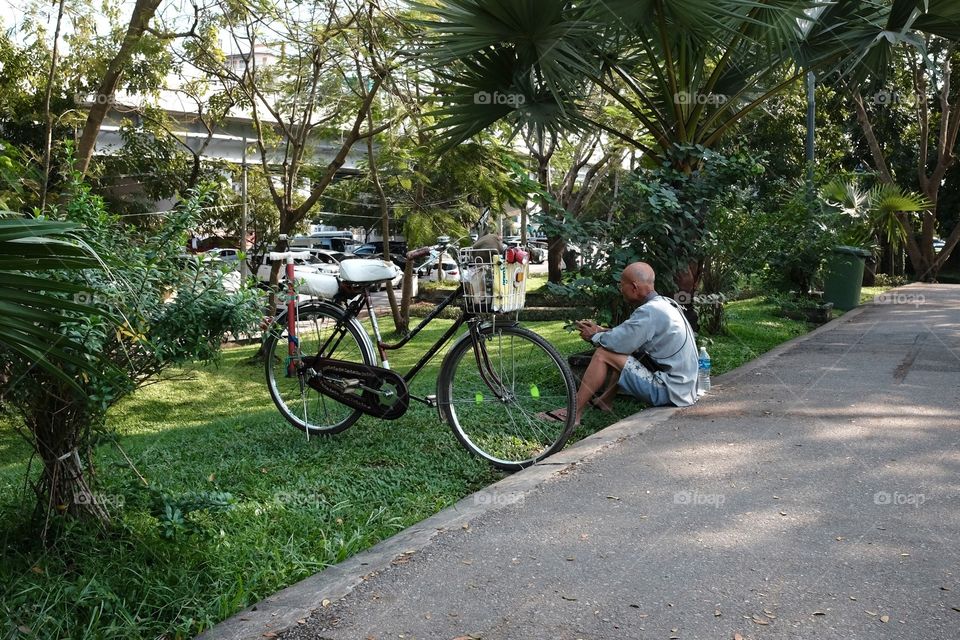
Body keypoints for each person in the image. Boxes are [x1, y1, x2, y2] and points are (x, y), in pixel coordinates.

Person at [544, 262, 699, 425]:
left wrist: (593, 336)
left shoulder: (650, 311)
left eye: (622, 285)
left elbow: (618, 343)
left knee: (604, 354)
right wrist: (600, 331)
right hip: (684, 389)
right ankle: (605, 401)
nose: (620, 289)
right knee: (623, 351)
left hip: (670, 392)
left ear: (633, 287)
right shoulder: (664, 304)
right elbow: (628, 336)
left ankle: (573, 414)